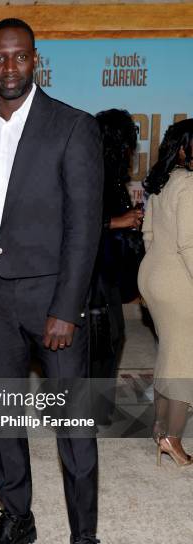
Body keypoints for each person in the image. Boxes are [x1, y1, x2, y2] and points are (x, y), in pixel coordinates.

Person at [0, 19, 107, 544]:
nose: (10, 67)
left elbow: (84, 227)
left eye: (20, 57)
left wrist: (67, 307)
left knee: (73, 424)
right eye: (0, 58)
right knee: (4, 415)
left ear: (36, 60)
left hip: (53, 297)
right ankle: (17, 516)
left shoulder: (72, 127)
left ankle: (84, 539)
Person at [138, 118, 193, 466]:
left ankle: (160, 431)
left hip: (153, 273)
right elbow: (189, 244)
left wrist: (156, 272)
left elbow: (147, 234)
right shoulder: (188, 184)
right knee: (184, 362)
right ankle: (172, 439)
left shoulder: (163, 181)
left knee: (169, 355)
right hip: (178, 279)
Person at [90, 110, 142, 422]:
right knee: (101, 339)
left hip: (106, 266)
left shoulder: (108, 171)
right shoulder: (92, 170)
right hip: (90, 268)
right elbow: (75, 220)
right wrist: (119, 220)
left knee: (111, 336)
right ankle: (89, 410)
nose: (131, 148)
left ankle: (98, 407)